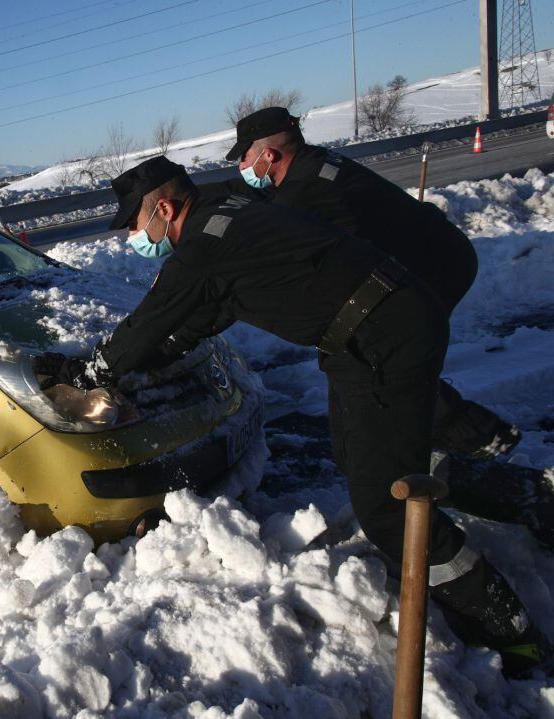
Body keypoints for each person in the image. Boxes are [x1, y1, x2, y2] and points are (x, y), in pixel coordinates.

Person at [36, 156, 544, 675]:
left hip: (383, 334)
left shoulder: (204, 248)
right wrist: (151, 359)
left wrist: (91, 371)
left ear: (163, 208)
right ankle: (523, 497)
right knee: (357, 455)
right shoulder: (229, 213)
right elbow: (199, 317)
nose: (134, 238)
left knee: (384, 508)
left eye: (135, 225)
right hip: (367, 333)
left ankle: (508, 628)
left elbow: (150, 321)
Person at [225, 107, 520, 460]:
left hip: (433, 267)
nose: (241, 167)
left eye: (244, 157)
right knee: (385, 360)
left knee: (382, 360)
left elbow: (276, 248)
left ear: (268, 155)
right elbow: (271, 198)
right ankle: (436, 437)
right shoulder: (312, 163)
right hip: (438, 253)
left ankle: (472, 437)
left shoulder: (305, 189)